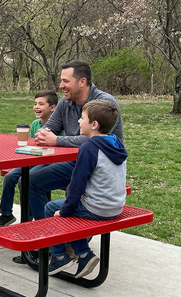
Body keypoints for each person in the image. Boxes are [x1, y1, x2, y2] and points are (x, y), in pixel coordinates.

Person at [29, 60, 124, 222]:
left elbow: (92, 140)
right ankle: (46, 234)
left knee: (68, 191)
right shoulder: (65, 102)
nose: (61, 85)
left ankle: (60, 238)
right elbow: (49, 128)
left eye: (66, 81)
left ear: (82, 82)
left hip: (97, 168)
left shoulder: (104, 104)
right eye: (61, 81)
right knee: (28, 179)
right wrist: (43, 134)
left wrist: (57, 140)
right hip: (71, 161)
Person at [44, 100, 127, 278]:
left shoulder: (89, 147)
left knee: (52, 208)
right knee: (70, 211)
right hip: (115, 205)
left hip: (98, 207)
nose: (78, 122)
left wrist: (65, 210)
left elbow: (77, 184)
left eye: (82, 118)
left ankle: (59, 256)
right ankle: (83, 255)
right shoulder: (116, 143)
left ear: (94, 125)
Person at [0, 90, 62, 226]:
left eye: (41, 104)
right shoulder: (35, 124)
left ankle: (29, 218)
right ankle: (6, 213)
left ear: (52, 108)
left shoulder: (61, 126)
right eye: (35, 103)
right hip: (34, 159)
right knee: (9, 177)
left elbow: (61, 149)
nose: (36, 107)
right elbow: (33, 146)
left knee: (25, 180)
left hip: (50, 162)